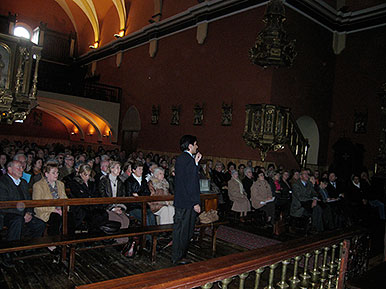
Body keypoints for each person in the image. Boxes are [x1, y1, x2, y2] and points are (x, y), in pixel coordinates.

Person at [0, 160, 46, 268]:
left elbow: (29, 200)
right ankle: (8, 253)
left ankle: (27, 249)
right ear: (9, 169)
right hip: (7, 214)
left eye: (22, 167)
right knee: (17, 221)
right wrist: (22, 214)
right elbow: (4, 204)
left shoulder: (23, 182)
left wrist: (29, 212)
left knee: (40, 224)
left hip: (24, 213)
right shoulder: (2, 182)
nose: (22, 170)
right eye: (18, 168)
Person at [172, 135, 202, 265]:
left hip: (180, 201)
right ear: (190, 146)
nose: (197, 146)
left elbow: (184, 178)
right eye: (195, 144)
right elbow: (191, 183)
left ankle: (176, 255)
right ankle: (180, 256)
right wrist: (195, 202)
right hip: (188, 202)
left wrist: (195, 163)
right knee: (186, 230)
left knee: (178, 229)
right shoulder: (188, 160)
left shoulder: (181, 159)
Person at [32, 162, 70, 237]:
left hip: (60, 210)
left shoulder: (60, 184)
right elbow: (38, 204)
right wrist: (54, 209)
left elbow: (65, 198)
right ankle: (52, 242)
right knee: (55, 217)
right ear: (46, 174)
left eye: (57, 172)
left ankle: (67, 241)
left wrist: (64, 209)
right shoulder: (38, 185)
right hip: (46, 211)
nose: (57, 175)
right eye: (53, 173)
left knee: (70, 216)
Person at [99, 161, 129, 244]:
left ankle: (124, 242)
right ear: (111, 169)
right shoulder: (104, 181)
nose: (119, 170)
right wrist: (112, 208)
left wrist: (120, 207)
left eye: (119, 168)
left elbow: (123, 196)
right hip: (107, 207)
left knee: (126, 220)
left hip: (118, 207)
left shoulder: (120, 182)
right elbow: (102, 197)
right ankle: (118, 241)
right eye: (117, 168)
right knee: (119, 220)